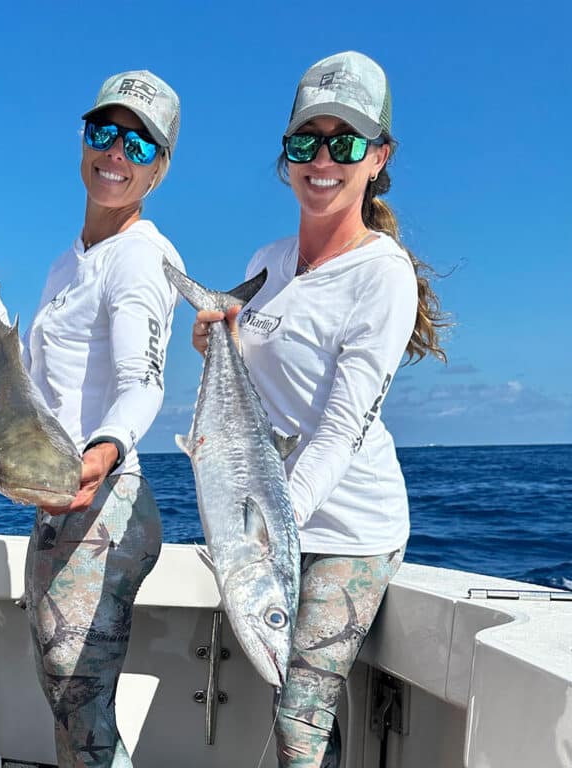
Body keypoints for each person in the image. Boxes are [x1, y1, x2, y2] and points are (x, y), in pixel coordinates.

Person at [191, 51, 448, 768]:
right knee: (281, 689)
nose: (323, 159)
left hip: (351, 528)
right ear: (288, 154)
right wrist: (213, 342)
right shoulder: (267, 262)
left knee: (301, 715)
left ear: (379, 157)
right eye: (306, 141)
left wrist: (272, 527)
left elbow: (340, 426)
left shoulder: (383, 276)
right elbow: (249, 392)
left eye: (346, 141)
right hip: (268, 520)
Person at [0, 70, 184, 767]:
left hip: (101, 500)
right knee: (71, 703)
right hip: (60, 500)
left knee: (79, 704)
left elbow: (142, 385)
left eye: (140, 142)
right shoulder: (71, 263)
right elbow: (28, 384)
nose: (116, 153)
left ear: (159, 167)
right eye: (104, 132)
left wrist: (100, 455)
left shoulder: (141, 259)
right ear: (83, 142)